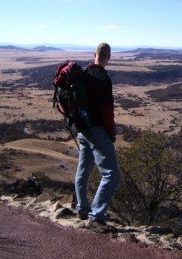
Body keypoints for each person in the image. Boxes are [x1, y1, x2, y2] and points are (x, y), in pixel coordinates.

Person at [74, 43, 119, 228]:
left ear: (94, 54)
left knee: (83, 169)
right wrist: (111, 131)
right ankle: (96, 215)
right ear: (109, 57)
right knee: (111, 173)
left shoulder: (82, 75)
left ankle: (82, 208)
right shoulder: (103, 78)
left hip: (82, 129)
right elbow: (107, 110)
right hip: (97, 131)